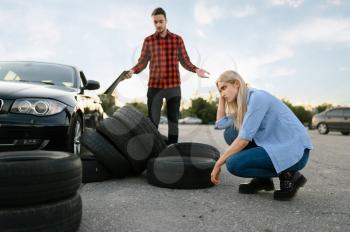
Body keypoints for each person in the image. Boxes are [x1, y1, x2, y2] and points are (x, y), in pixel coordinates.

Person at [210, 70, 313, 200]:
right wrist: (222, 97)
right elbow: (221, 123)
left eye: (224, 88)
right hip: (274, 145)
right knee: (230, 133)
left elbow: (243, 140)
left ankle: (290, 175)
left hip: (295, 151)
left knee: (233, 164)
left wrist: (218, 163)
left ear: (236, 84)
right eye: (220, 91)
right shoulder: (243, 106)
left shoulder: (257, 98)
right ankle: (263, 180)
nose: (223, 93)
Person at [124, 7, 209, 144]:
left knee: (173, 121)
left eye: (161, 21)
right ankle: (152, 149)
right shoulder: (148, 41)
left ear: (166, 21)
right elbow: (142, 62)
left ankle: (172, 149)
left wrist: (196, 69)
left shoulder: (177, 39)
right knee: (152, 121)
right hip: (155, 86)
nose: (158, 25)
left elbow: (185, 60)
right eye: (155, 22)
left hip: (173, 86)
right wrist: (133, 71)